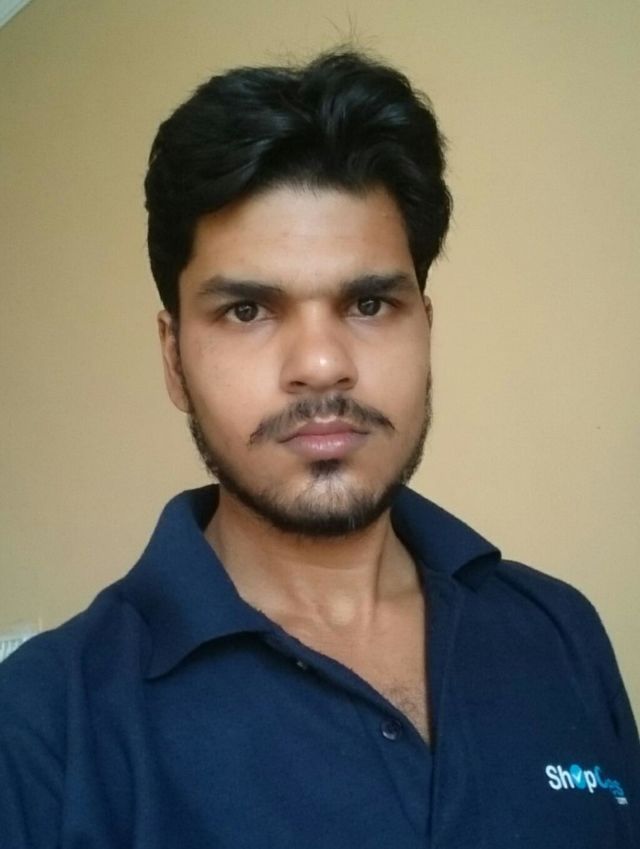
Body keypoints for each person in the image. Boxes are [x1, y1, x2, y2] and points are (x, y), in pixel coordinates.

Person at [0, 49, 638, 849]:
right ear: (173, 357)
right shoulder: (41, 728)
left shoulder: (559, 628)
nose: (323, 363)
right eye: (247, 310)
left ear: (426, 328)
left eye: (369, 302)